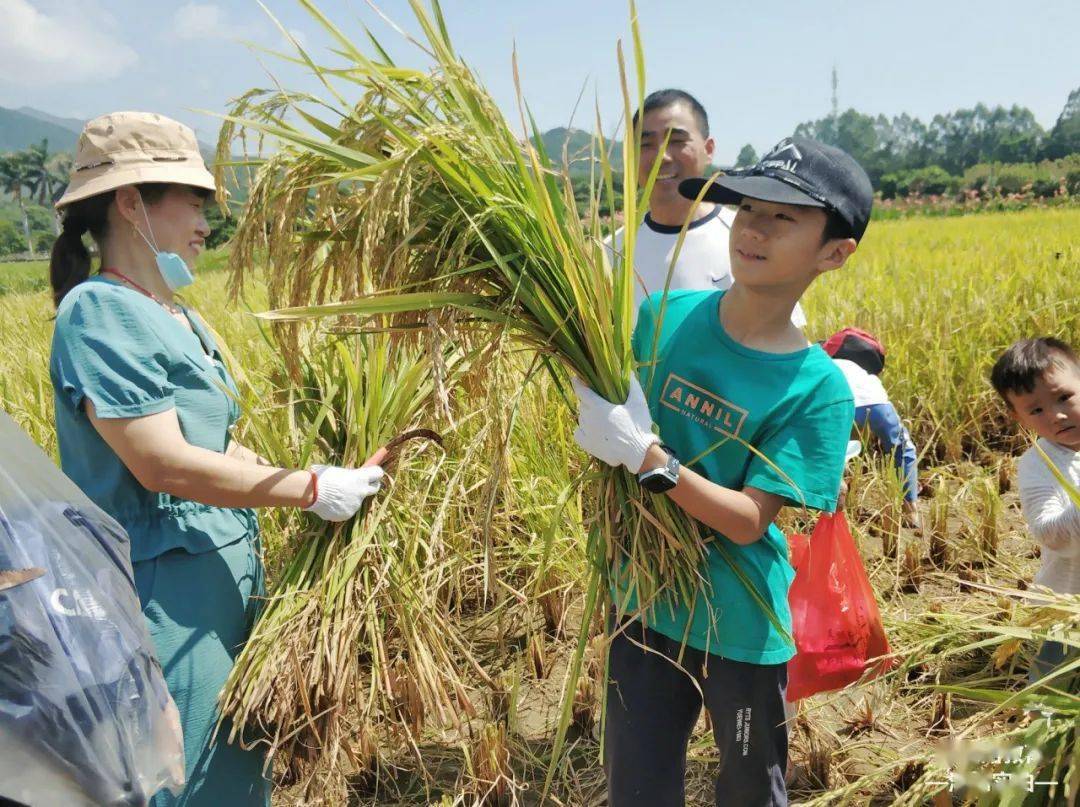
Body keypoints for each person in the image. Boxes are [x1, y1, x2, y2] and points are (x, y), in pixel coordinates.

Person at [48, 111, 385, 807]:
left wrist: (317, 478)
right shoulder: (97, 312)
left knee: (236, 775)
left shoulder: (180, 316)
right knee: (187, 782)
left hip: (227, 587)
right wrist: (309, 486)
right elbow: (162, 463)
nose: (207, 223)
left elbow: (213, 445)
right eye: (194, 201)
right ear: (130, 200)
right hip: (165, 603)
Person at [572, 136, 870, 806]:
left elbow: (746, 522)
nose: (754, 228)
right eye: (748, 208)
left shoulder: (817, 388)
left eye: (783, 217)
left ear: (834, 252)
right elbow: (613, 414)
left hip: (738, 621)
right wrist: (591, 404)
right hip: (644, 599)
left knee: (747, 786)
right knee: (637, 786)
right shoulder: (662, 319)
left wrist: (648, 458)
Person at [605, 88, 805, 327]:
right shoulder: (610, 254)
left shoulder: (751, 239)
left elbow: (783, 341)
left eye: (676, 141)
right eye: (646, 144)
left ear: (708, 150)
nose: (662, 157)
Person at [990, 337, 1080, 684]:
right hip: (1068, 605)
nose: (1056, 415)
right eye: (1036, 409)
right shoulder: (1038, 464)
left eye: (1064, 397)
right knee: (1050, 693)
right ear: (1018, 417)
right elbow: (1050, 534)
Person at [823, 327, 920, 526]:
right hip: (876, 404)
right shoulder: (866, 374)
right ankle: (911, 511)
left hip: (836, 402)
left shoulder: (825, 362)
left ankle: (830, 505)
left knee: (833, 452)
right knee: (904, 448)